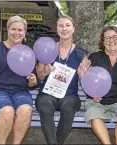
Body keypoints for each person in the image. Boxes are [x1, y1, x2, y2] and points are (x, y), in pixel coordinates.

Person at [0, 15, 37, 144]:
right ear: (8, 30)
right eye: (13, 29)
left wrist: (32, 81)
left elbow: (31, 81)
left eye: (20, 30)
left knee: (26, 110)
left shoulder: (28, 52)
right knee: (7, 111)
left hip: (20, 91)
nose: (17, 33)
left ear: (25, 32)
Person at [35, 15, 89, 145]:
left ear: (73, 29)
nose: (64, 28)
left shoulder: (81, 54)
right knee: (44, 104)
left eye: (68, 25)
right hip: (48, 93)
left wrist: (83, 76)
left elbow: (86, 83)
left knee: (69, 107)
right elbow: (40, 76)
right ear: (57, 29)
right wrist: (45, 72)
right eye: (61, 26)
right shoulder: (47, 48)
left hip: (69, 95)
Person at [83, 26, 117, 144]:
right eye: (107, 38)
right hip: (97, 100)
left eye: (114, 37)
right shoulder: (94, 57)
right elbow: (87, 80)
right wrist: (92, 94)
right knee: (93, 114)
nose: (111, 40)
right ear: (103, 41)